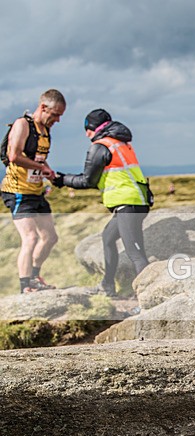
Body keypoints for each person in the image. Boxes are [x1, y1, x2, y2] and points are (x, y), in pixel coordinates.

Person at [55, 109, 151, 296]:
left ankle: (146, 300)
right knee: (108, 237)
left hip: (128, 205)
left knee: (136, 255)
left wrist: (61, 180)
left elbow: (87, 180)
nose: (86, 134)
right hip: (135, 202)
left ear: (94, 128)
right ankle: (107, 286)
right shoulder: (120, 143)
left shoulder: (101, 146)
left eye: (87, 129)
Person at [1, 89, 66, 293]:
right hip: (17, 191)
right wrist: (42, 168)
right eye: (55, 114)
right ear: (43, 107)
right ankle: (25, 285)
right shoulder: (22, 124)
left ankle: (35, 276)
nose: (57, 120)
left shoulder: (45, 130)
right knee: (31, 238)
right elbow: (14, 156)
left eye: (60, 116)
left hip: (36, 191)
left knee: (50, 237)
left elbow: (36, 157)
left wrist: (47, 170)